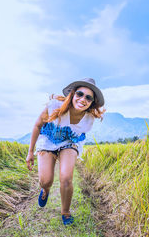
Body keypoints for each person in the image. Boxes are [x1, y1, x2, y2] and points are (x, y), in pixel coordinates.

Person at [25, 78, 105, 226]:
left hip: (69, 142)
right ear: (73, 94)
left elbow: (78, 135)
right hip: (48, 139)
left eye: (88, 98)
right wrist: (30, 152)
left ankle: (66, 213)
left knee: (66, 176)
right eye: (80, 94)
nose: (83, 99)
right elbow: (37, 126)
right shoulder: (55, 106)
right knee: (46, 180)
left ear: (92, 102)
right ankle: (45, 190)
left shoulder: (89, 119)